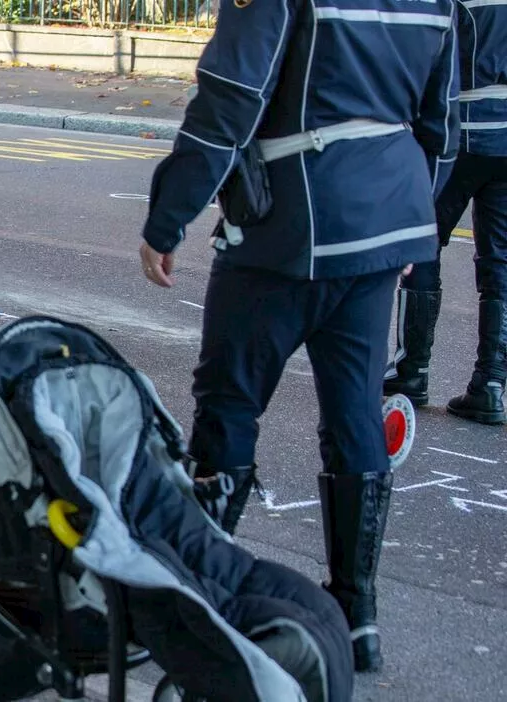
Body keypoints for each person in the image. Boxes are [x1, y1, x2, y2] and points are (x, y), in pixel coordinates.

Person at [136, 0, 459, 674]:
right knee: (355, 414)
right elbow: (440, 127)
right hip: (380, 229)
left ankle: (204, 600)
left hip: (289, 231)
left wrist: (169, 217)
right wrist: (408, 221)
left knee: (229, 402)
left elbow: (229, 103)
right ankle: (357, 616)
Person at [383, 0, 507, 425]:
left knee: (424, 244)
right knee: (500, 263)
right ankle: (491, 384)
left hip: (462, 129)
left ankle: (412, 371)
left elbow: (426, 59)